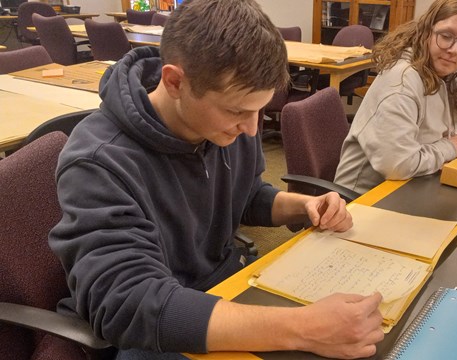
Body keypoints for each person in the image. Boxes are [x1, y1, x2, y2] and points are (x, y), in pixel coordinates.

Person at [48, 0, 384, 359]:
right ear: (175, 82)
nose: (252, 128)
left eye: (259, 110)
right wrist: (303, 328)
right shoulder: (99, 160)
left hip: (226, 285)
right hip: (155, 329)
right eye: (237, 111)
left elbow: (247, 195)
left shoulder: (229, 125)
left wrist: (305, 206)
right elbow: (127, 304)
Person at [334, 0, 457, 194]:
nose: (454, 49)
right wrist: (448, 148)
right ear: (427, 31)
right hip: (364, 198)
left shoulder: (451, 75)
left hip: (415, 183)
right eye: (446, 36)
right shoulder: (401, 81)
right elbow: (398, 164)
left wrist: (452, 147)